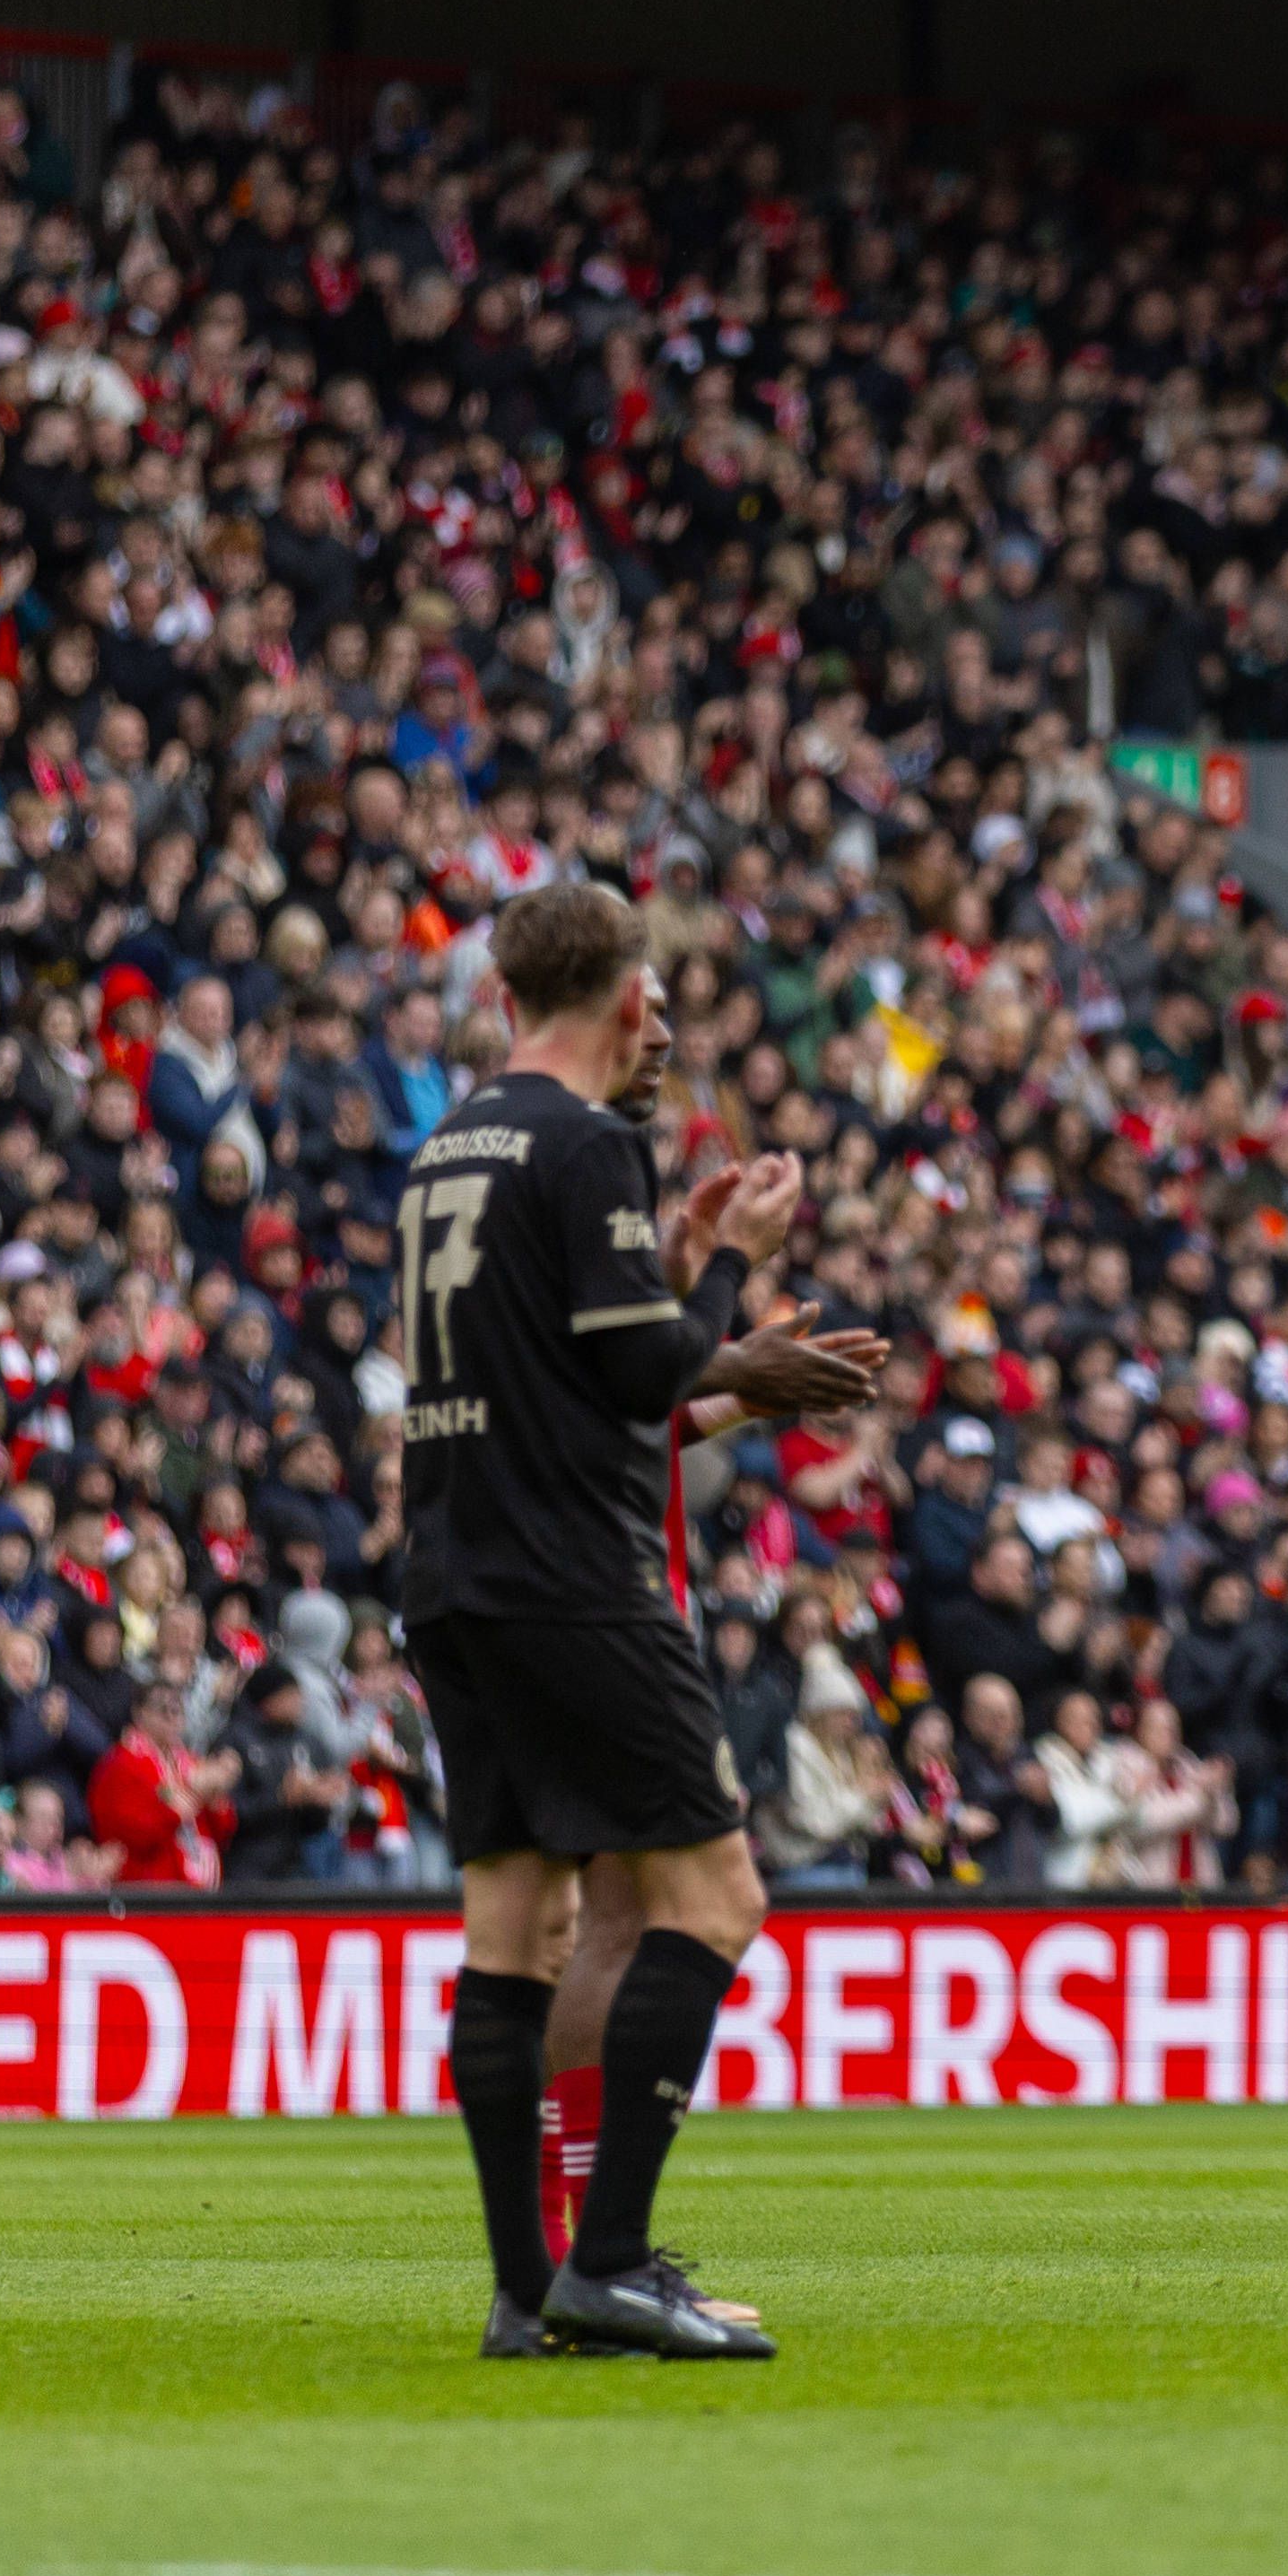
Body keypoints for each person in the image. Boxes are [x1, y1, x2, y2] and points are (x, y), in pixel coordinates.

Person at [403, 880, 887, 2362]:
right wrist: (733, 1275)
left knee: (511, 1927)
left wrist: (694, 1313)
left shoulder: (450, 1145)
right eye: (656, 1000)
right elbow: (631, 1377)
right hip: (572, 1579)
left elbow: (567, 1373)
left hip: (453, 1571)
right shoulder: (585, 1137)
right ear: (617, 996)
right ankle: (608, 2259)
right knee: (712, 1900)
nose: (662, 1026)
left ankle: (524, 2284)